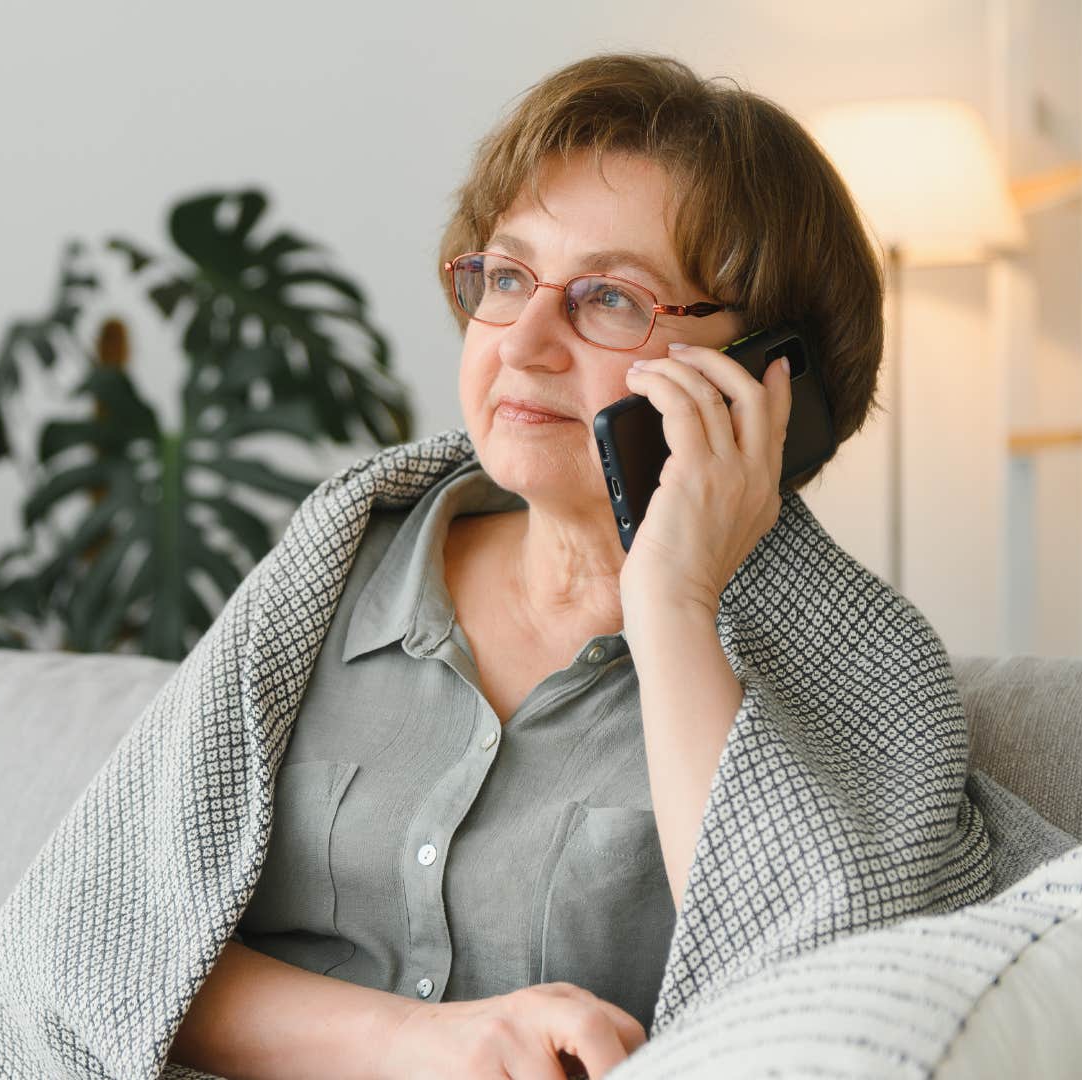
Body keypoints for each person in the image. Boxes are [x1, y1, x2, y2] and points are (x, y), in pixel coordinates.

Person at [168, 50, 887, 1080]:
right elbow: (117, 953)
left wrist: (672, 606)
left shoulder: (846, 667)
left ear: (768, 379)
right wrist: (424, 1044)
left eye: (607, 300)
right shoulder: (332, 572)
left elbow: (815, 1011)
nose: (523, 342)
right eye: (506, 277)